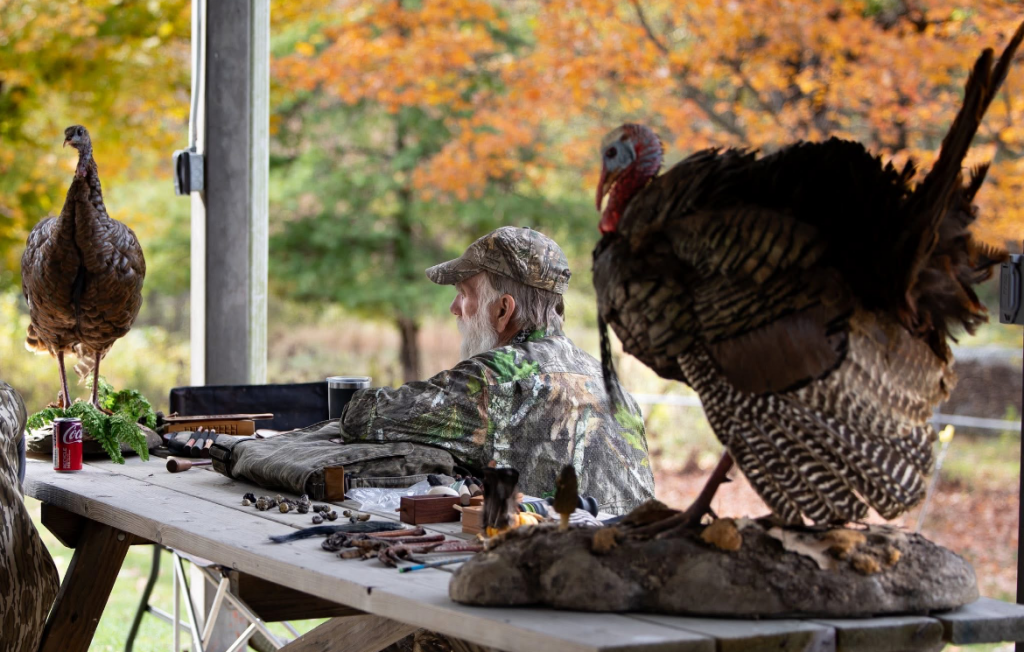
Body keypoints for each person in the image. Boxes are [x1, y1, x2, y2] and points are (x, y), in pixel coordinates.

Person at [339, 226, 654, 514]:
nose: (453, 308)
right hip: (631, 557)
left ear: (503, 310)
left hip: (545, 560)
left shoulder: (493, 377)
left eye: (464, 294)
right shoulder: (609, 382)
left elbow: (361, 417)